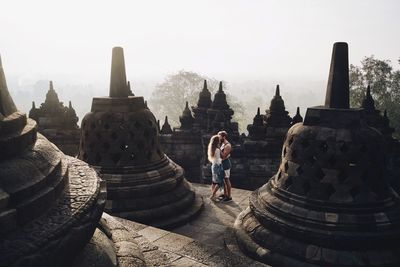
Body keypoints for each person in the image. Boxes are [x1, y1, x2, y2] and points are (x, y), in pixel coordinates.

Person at [207, 135, 224, 201]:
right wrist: (220, 149)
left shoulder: (212, 149)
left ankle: (214, 195)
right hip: (217, 166)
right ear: (217, 141)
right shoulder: (217, 150)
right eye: (219, 139)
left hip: (213, 165)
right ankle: (213, 196)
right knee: (219, 182)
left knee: (214, 182)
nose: (220, 140)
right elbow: (220, 158)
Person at [218, 131, 232, 202]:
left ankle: (229, 196)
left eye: (220, 136)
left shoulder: (227, 145)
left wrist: (218, 149)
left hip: (225, 164)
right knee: (223, 180)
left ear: (224, 137)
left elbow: (223, 156)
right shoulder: (222, 144)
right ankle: (225, 194)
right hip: (221, 164)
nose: (219, 138)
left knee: (226, 179)